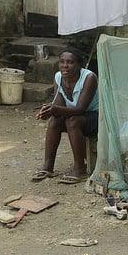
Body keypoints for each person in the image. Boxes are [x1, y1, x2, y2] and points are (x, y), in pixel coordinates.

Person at [31, 47, 99, 184]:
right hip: (76, 116)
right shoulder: (58, 77)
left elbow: (80, 109)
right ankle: (48, 166)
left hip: (96, 117)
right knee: (54, 121)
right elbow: (59, 105)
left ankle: (80, 168)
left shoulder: (89, 77)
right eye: (62, 62)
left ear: (79, 65)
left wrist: (54, 109)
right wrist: (49, 111)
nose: (65, 66)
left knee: (72, 121)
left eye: (70, 62)